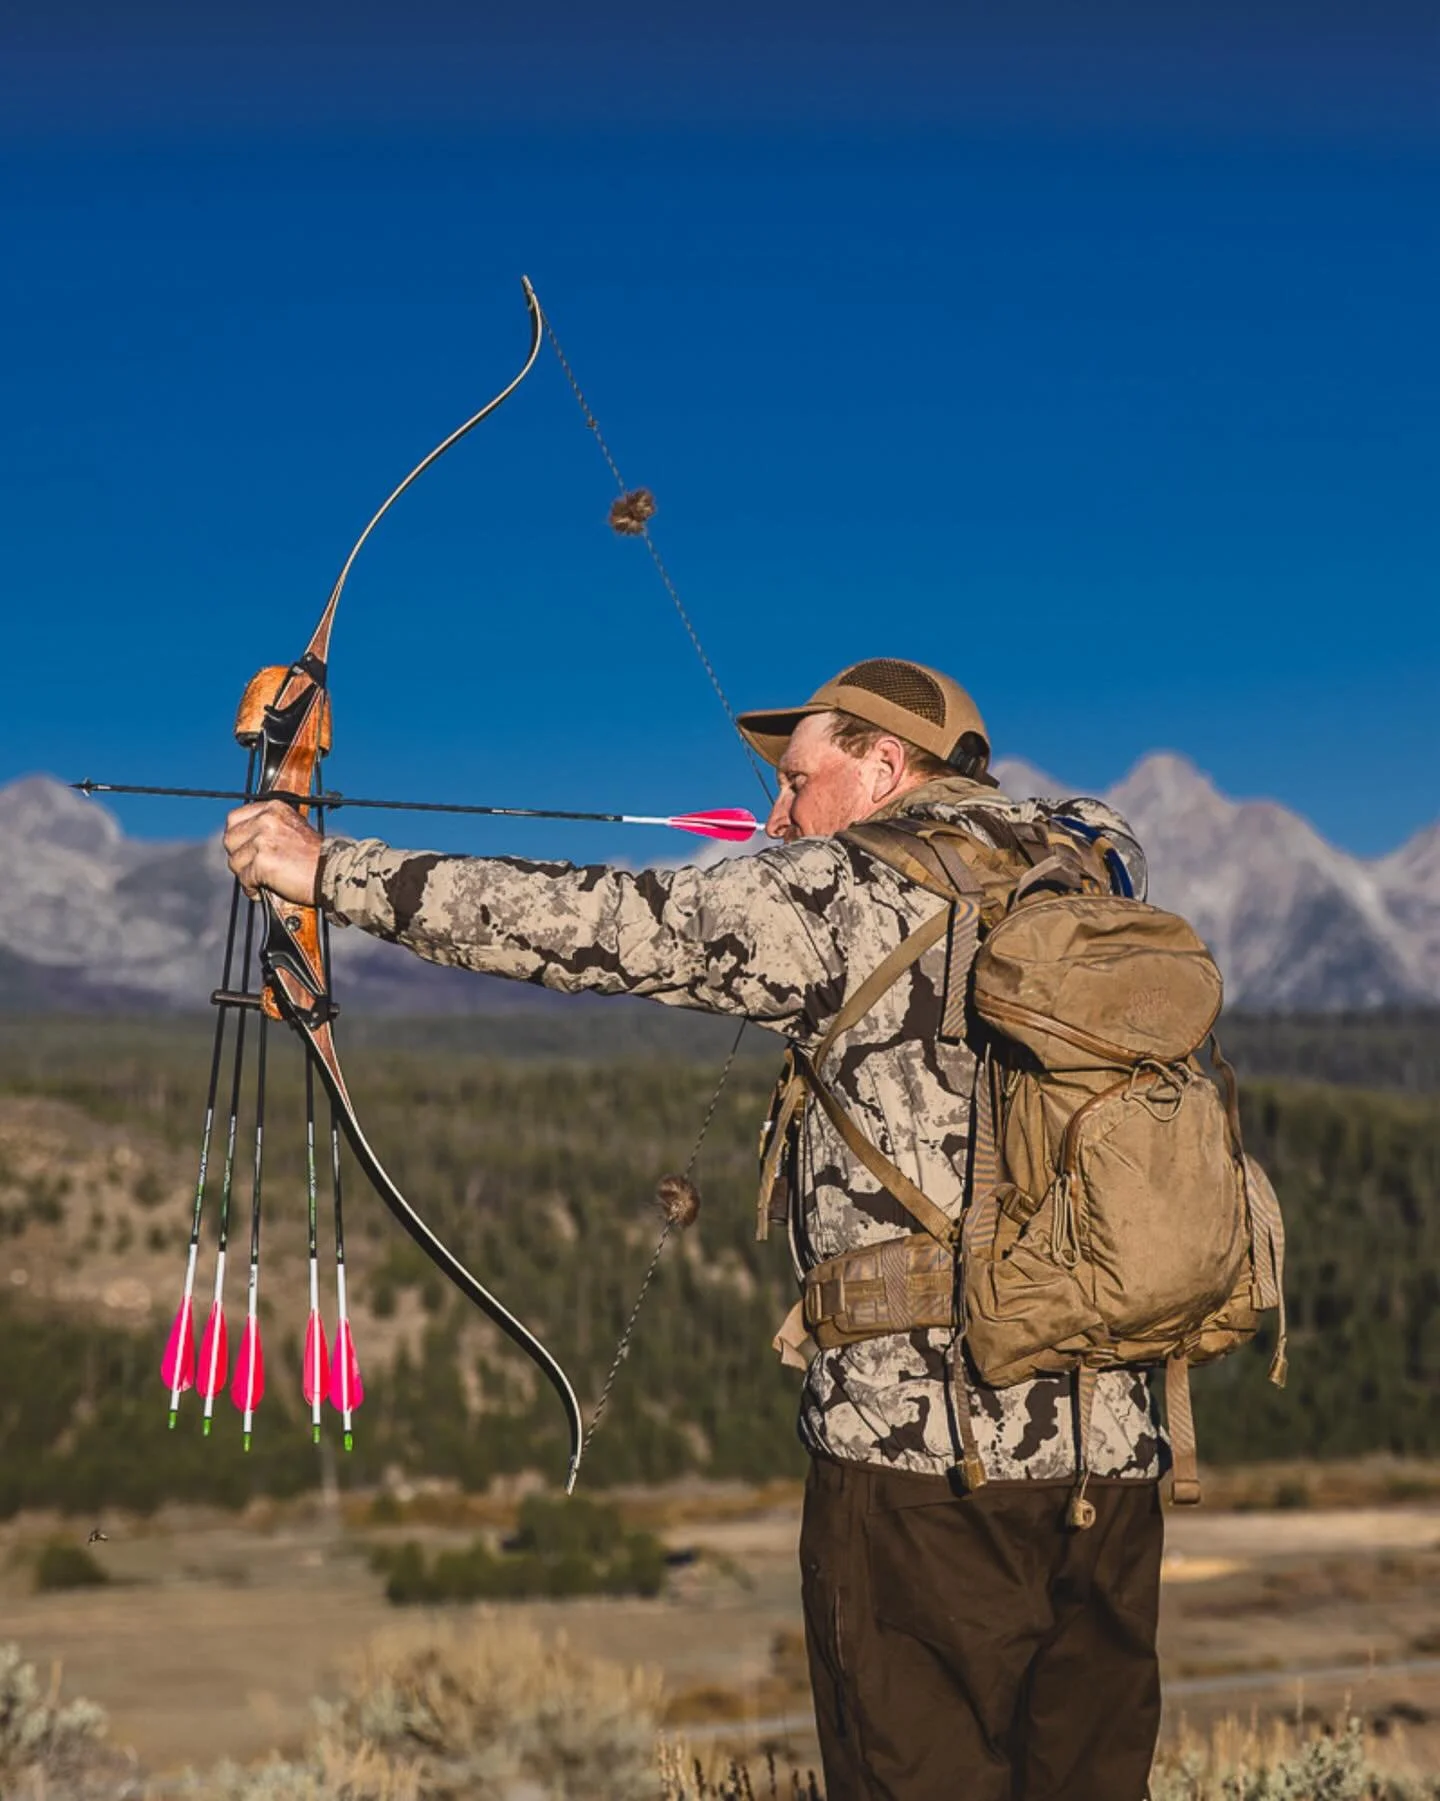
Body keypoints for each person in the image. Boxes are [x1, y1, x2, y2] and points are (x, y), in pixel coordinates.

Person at [224, 657, 1166, 1801]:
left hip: (923, 1468)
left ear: (883, 765)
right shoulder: (1097, 873)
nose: (777, 812)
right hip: (1115, 1458)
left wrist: (322, 867)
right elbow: (1091, 822)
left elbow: (583, 924)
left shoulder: (838, 893)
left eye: (800, 778)